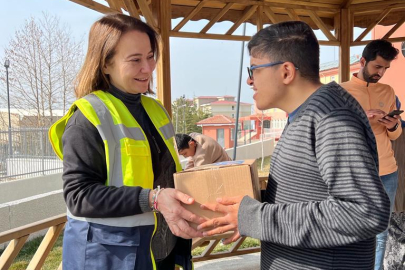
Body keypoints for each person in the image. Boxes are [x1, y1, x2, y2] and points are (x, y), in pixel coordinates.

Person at [197, 21, 391, 270]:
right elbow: (306, 191)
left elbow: (365, 212)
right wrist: (246, 212)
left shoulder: (332, 117)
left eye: (254, 69)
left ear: (286, 72)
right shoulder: (307, 113)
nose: (249, 81)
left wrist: (255, 217)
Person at [48, 14, 204, 270]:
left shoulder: (155, 110)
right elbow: (78, 195)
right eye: (135, 60)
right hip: (110, 256)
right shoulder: (87, 118)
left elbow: (162, 174)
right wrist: (153, 199)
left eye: (151, 56)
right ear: (105, 64)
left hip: (158, 252)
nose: (148, 68)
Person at [340, 40, 401, 270]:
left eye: (385, 68)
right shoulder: (340, 91)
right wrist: (363, 116)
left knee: (381, 232)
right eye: (377, 67)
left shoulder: (388, 91)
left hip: (387, 173)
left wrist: (393, 124)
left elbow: (394, 136)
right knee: (352, 229)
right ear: (362, 61)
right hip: (354, 173)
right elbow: (336, 131)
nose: (381, 73)